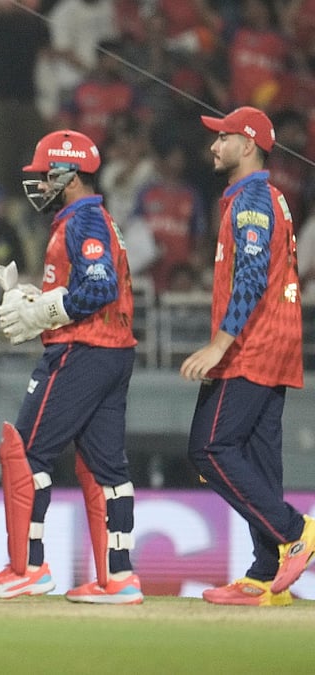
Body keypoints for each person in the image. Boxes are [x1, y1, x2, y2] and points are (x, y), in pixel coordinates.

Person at [0, 129, 143, 605]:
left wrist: (42, 312)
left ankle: (27, 568)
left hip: (80, 350)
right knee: (105, 466)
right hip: (113, 351)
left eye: (47, 175)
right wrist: (36, 296)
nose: (40, 184)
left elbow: (98, 287)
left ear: (70, 176)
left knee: (24, 452)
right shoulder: (92, 218)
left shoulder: (83, 219)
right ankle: (119, 578)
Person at [184, 107, 313, 606]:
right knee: (258, 459)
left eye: (224, 137)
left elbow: (253, 276)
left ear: (250, 144)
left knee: (209, 449)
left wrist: (220, 343)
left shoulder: (253, 200)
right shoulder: (267, 197)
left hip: (252, 347)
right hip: (275, 345)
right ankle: (265, 576)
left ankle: (294, 529)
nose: (215, 146)